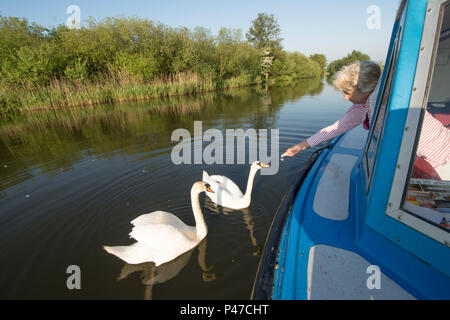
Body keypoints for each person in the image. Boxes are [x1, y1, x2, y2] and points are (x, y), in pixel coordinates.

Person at [283, 60, 381, 157]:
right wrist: (301, 146)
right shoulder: (360, 107)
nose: (345, 98)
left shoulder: (383, 108)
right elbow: (336, 128)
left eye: (347, 93)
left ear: (367, 90)